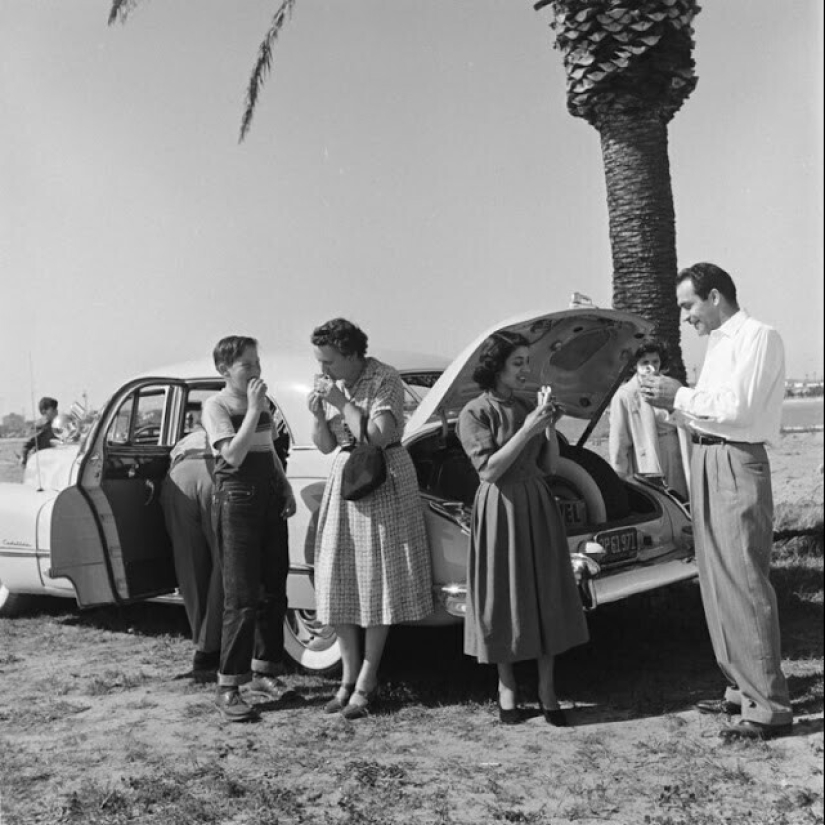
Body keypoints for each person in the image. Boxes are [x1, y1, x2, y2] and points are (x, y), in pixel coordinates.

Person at [640, 262, 793, 740]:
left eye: (688, 305)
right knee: (715, 578)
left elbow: (739, 410)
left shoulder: (759, 337)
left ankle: (768, 706)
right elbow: (712, 414)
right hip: (707, 458)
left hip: (735, 462)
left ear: (713, 297)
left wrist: (681, 395)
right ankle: (741, 688)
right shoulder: (719, 345)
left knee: (743, 580)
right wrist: (674, 409)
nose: (686, 316)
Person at [457, 332, 589, 725]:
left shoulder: (526, 406)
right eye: (518, 363)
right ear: (495, 366)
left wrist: (548, 427)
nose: (525, 371)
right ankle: (507, 686)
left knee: (544, 591)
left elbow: (549, 466)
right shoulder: (474, 412)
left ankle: (547, 689)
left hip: (536, 502)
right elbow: (489, 470)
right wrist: (529, 428)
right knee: (504, 593)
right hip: (500, 506)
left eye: (526, 363)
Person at [308, 318, 433, 720]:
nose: (323, 369)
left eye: (329, 361)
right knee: (339, 577)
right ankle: (347, 678)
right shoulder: (335, 384)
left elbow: (378, 435)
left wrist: (341, 403)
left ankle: (367, 677)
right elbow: (326, 445)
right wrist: (318, 415)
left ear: (351, 355)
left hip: (381, 478)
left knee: (377, 579)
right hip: (346, 480)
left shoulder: (384, 378)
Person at [202, 336, 297, 722]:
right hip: (237, 499)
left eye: (257, 362)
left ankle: (264, 670)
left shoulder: (263, 403)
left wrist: (284, 486)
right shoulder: (217, 405)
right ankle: (228, 685)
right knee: (240, 596)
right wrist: (254, 408)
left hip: (268, 496)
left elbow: (268, 450)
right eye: (246, 365)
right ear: (224, 370)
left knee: (272, 590)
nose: (256, 370)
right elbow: (233, 454)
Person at [160, 418, 223, 675]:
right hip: (216, 473)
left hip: (180, 474)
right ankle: (215, 643)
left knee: (189, 565)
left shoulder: (186, 440)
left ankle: (202, 646)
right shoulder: (227, 429)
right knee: (223, 562)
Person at [608, 341, 691, 500]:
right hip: (649, 458)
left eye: (655, 361)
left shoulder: (672, 387)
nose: (650, 367)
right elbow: (619, 441)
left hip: (678, 455)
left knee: (681, 500)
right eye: (645, 362)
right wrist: (620, 477)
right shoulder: (625, 395)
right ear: (634, 364)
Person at [20, 397, 59, 466]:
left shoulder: (56, 425)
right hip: (42, 462)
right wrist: (24, 458)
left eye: (56, 409)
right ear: (44, 411)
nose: (56, 411)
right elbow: (26, 445)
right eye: (53, 409)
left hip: (55, 460)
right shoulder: (39, 426)